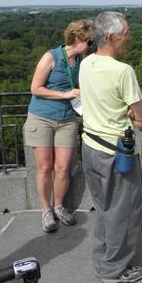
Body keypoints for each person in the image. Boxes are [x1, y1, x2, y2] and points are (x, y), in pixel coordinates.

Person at [79, 11, 142, 283]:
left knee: (104, 207)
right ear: (110, 37)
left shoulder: (86, 63)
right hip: (116, 153)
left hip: (90, 147)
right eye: (126, 33)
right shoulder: (123, 71)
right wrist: (135, 111)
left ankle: (102, 258)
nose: (128, 38)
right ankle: (113, 269)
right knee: (125, 211)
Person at [23, 19, 94, 233]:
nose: (92, 46)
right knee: (45, 167)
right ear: (78, 38)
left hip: (67, 119)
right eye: (90, 41)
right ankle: (46, 211)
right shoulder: (50, 56)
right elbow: (35, 88)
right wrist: (64, 94)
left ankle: (59, 206)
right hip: (42, 117)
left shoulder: (82, 59)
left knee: (63, 168)